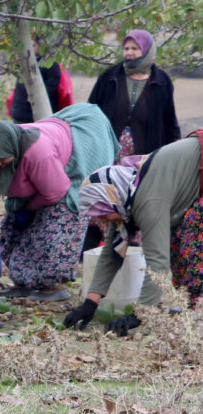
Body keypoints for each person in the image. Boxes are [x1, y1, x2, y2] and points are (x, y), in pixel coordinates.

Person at [66, 134, 203, 336]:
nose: (103, 221)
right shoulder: (126, 198)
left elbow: (158, 262)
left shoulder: (147, 199)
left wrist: (139, 315)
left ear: (111, 198)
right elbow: (110, 254)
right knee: (179, 243)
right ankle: (193, 306)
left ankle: (197, 308)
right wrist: (90, 303)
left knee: (193, 240)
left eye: (103, 213)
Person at [0, 103, 119, 301]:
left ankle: (51, 287)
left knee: (52, 232)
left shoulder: (37, 152)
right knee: (11, 232)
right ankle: (23, 283)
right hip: (36, 185)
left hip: (67, 175)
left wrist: (28, 208)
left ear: (12, 147)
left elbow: (55, 192)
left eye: (3, 159)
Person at [88, 29, 180, 157]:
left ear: (147, 50)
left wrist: (174, 146)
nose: (129, 53)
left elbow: (169, 120)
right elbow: (91, 110)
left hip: (146, 155)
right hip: (108, 152)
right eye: (126, 49)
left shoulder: (161, 81)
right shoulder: (109, 77)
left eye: (134, 48)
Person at [7, 48, 73, 123]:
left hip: (37, 114)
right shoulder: (25, 59)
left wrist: (36, 95)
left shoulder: (49, 61)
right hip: (20, 112)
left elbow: (53, 81)